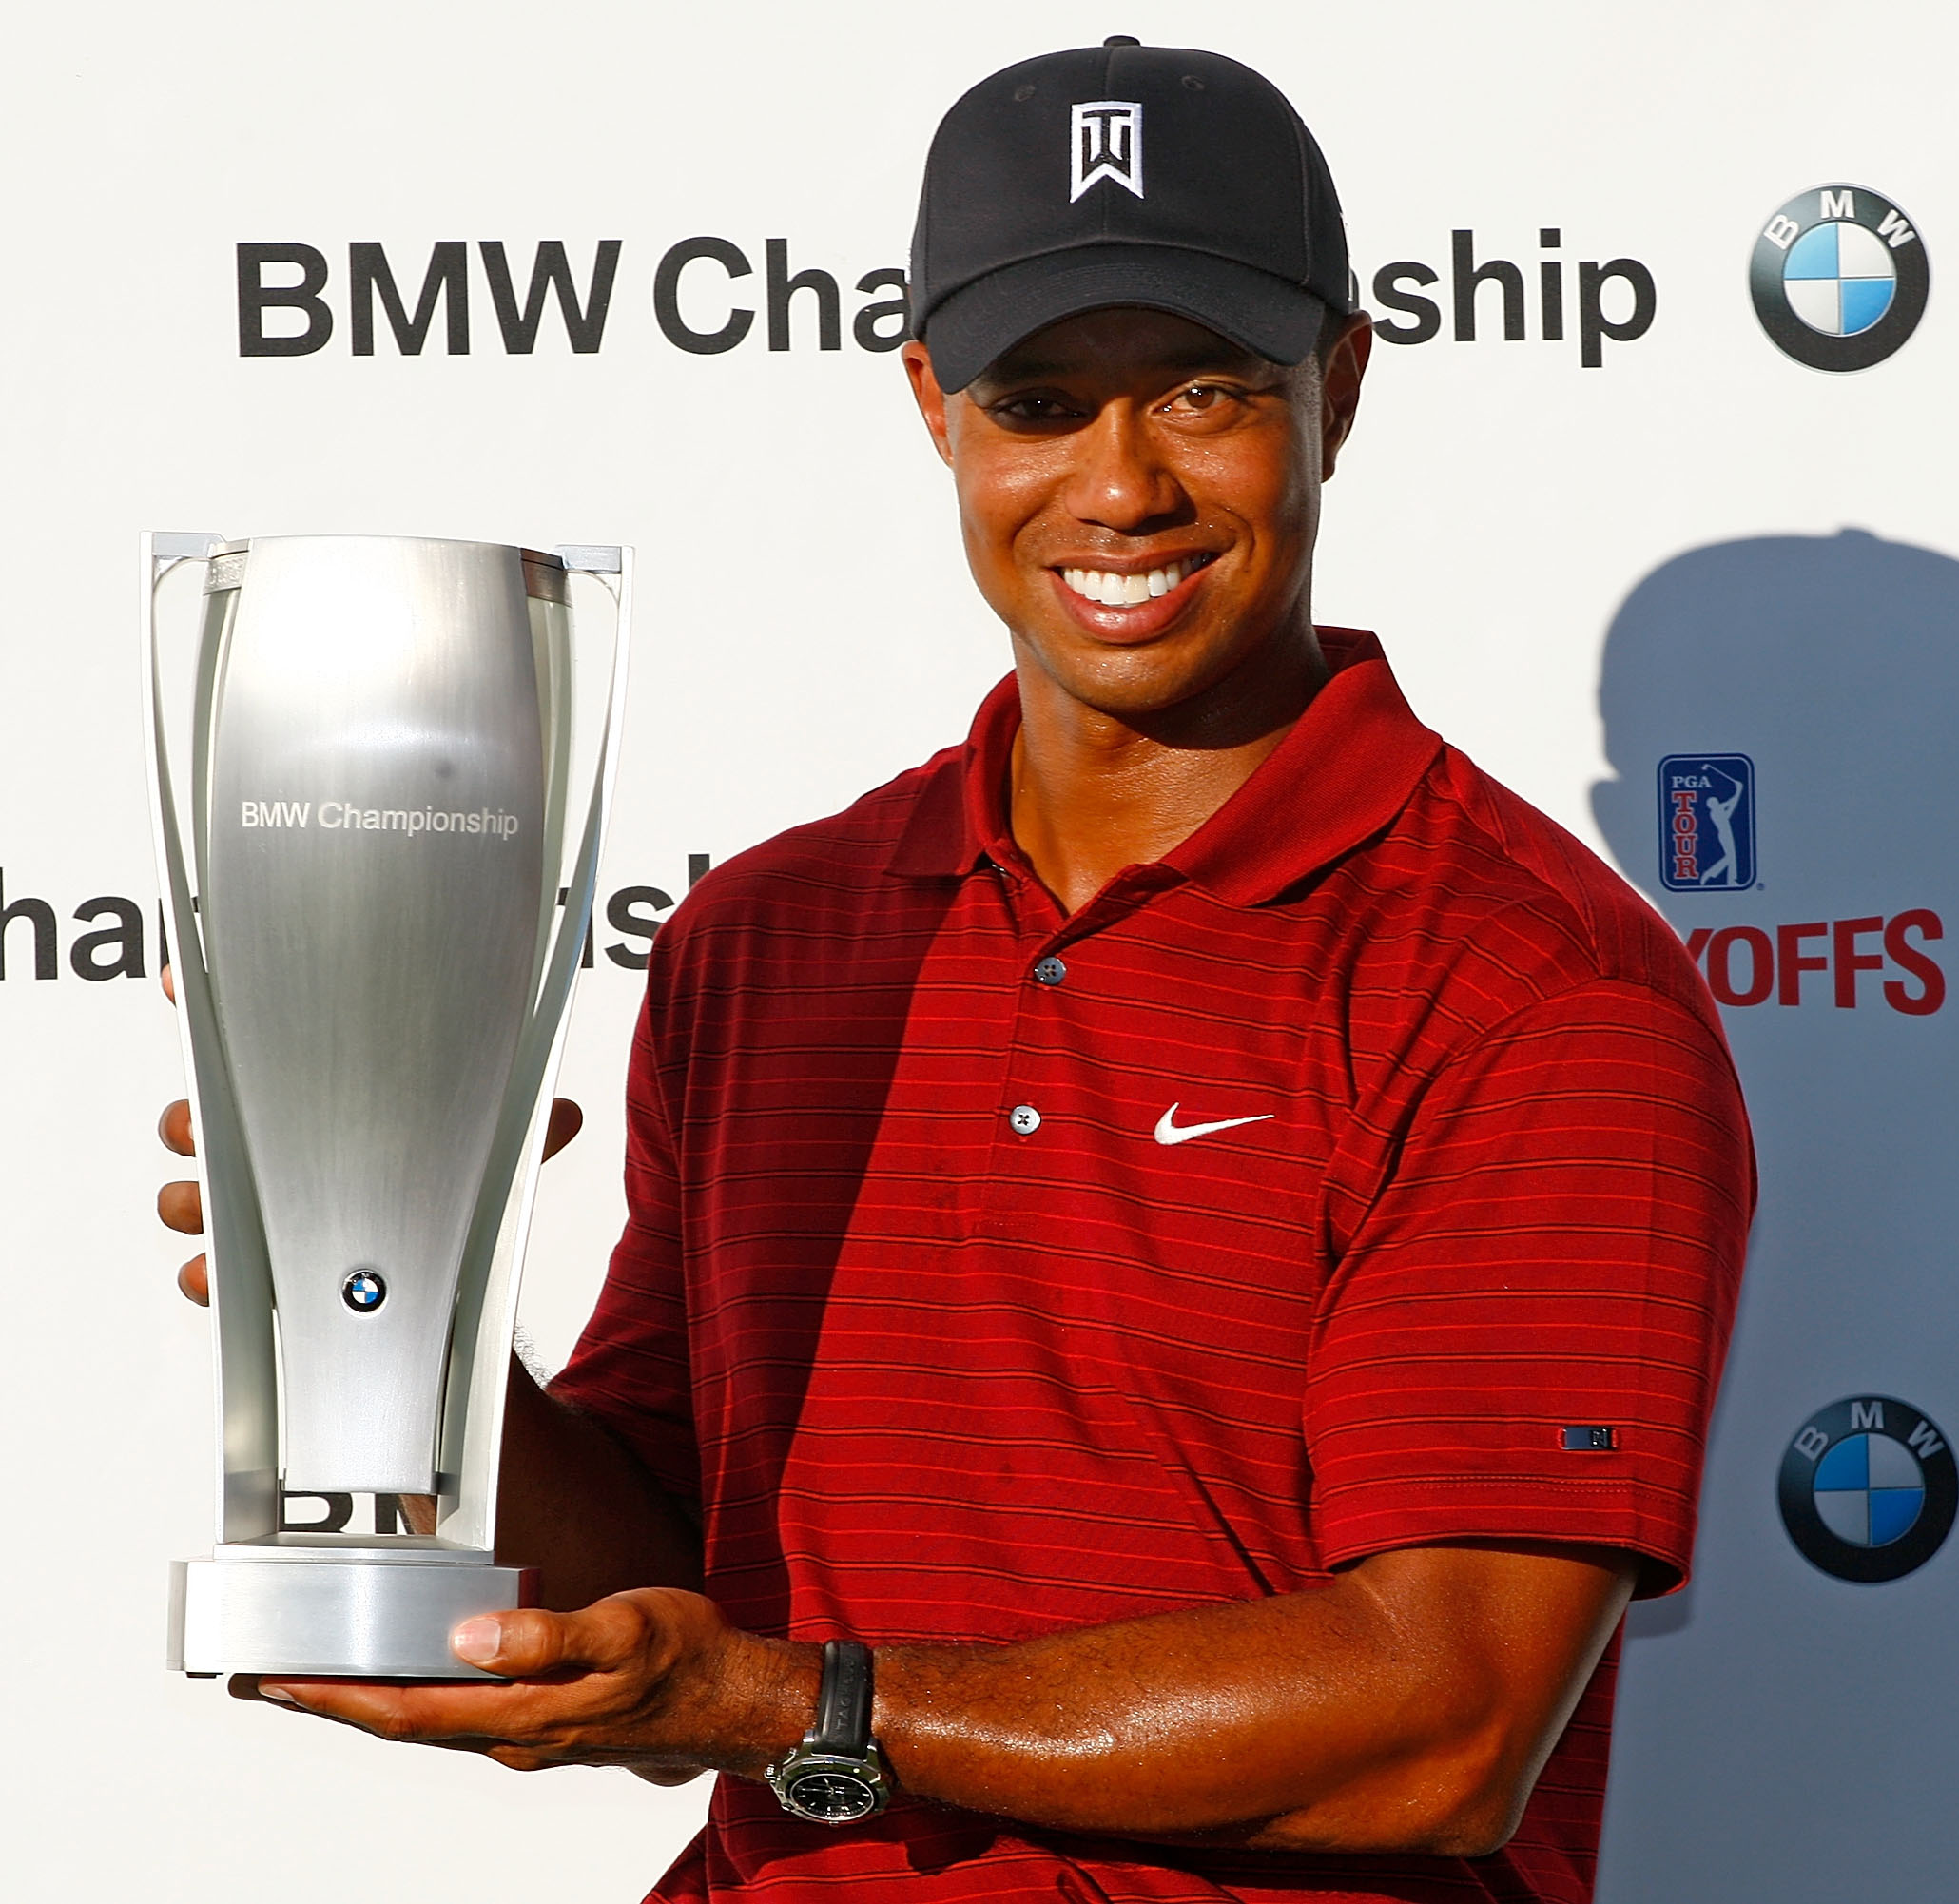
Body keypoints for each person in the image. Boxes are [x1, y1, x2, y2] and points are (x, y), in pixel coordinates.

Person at [155, 38, 1752, 1904]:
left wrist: (795, 1697)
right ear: (934, 405)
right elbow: (673, 1608)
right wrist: (401, 1304)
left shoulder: (1524, 979)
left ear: (1339, 383)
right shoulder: (772, 934)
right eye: (1043, 399)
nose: (1123, 482)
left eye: (1207, 393)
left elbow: (1452, 1719)